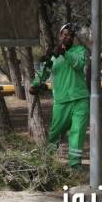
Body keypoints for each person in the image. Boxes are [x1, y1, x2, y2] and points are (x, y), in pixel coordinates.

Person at [30, 23, 89, 169]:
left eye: (71, 36)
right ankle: (45, 164)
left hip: (80, 100)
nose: (68, 37)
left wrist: (64, 53)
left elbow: (78, 65)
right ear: (60, 36)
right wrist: (35, 85)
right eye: (65, 35)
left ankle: (75, 167)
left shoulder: (80, 51)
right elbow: (44, 72)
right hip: (61, 102)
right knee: (54, 135)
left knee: (77, 133)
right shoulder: (53, 56)